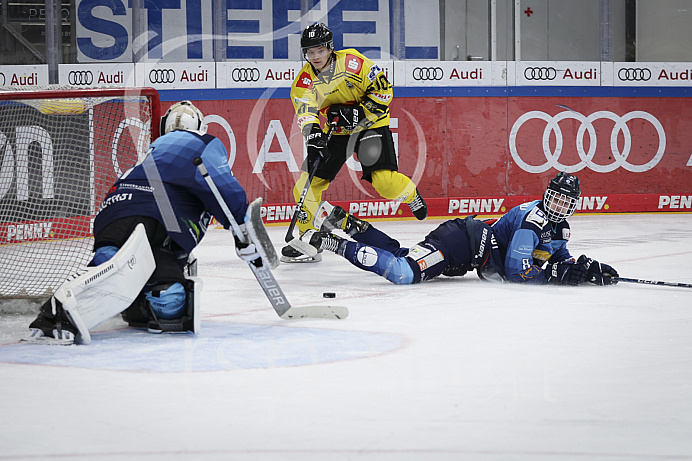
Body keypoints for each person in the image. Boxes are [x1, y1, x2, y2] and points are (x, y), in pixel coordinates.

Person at [24, 101, 260, 344]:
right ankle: (71, 306)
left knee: (110, 264)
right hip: (159, 219)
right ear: (200, 125)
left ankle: (79, 300)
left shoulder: (154, 150)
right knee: (171, 304)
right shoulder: (203, 142)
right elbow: (222, 188)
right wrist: (243, 229)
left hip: (113, 211)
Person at [300, 172, 619, 286]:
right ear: (546, 195)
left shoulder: (560, 231)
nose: (558, 207)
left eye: (565, 203)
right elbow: (515, 271)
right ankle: (327, 240)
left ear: (574, 205)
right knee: (403, 272)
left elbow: (556, 257)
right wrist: (555, 277)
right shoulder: (531, 221)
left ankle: (338, 219)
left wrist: (581, 268)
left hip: (464, 247)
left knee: (402, 255)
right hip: (461, 244)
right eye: (554, 199)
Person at [283, 22, 427, 263]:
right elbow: (306, 112)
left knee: (384, 182)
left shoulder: (353, 62)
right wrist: (315, 134)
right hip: (338, 130)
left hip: (372, 124)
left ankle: (410, 194)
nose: (315, 56)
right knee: (306, 185)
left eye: (320, 50)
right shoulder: (303, 82)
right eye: (310, 52)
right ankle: (307, 239)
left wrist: (360, 112)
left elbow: (384, 92)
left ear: (330, 48)